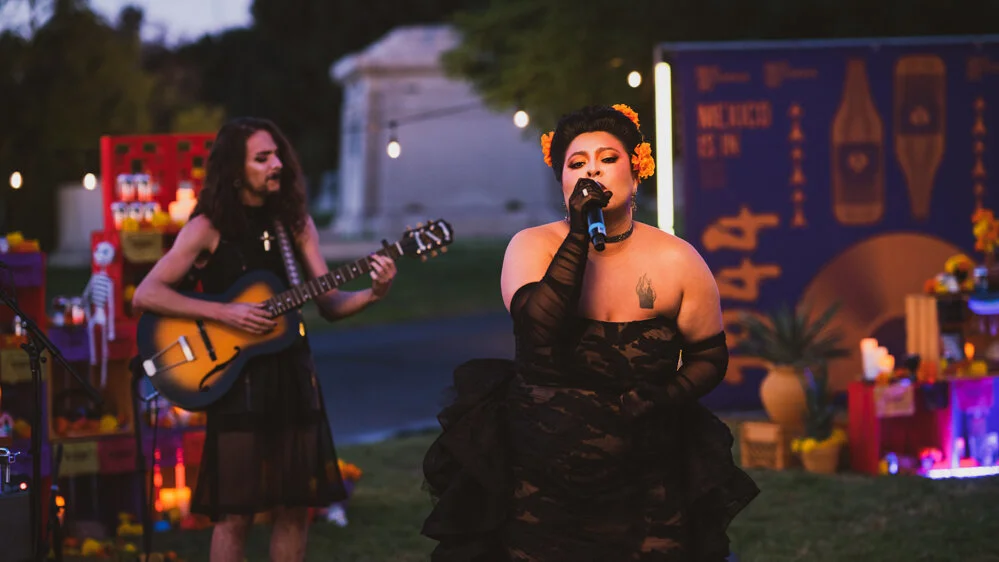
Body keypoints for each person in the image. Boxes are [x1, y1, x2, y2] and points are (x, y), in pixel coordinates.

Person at [421, 104, 758, 561]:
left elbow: (709, 356)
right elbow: (539, 325)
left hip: (645, 481)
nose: (592, 168)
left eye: (607, 158)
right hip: (539, 481)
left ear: (636, 173)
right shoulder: (531, 246)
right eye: (576, 163)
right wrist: (579, 233)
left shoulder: (678, 260)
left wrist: (666, 395)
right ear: (562, 183)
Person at [132, 117, 397, 562]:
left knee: (294, 510)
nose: (276, 164)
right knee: (235, 516)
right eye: (262, 158)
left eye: (277, 155)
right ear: (237, 169)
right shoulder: (207, 226)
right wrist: (225, 311)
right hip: (237, 383)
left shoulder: (294, 223)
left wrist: (374, 292)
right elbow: (146, 294)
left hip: (293, 377)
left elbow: (329, 302)